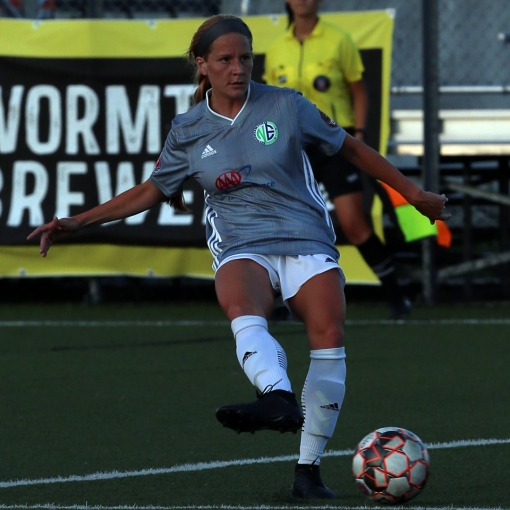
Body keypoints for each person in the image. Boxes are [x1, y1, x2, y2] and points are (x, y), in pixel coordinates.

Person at [27, 15, 449, 499]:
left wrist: (413, 194)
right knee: (243, 307)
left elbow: (351, 149)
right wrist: (77, 222)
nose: (238, 68)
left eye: (245, 58)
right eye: (225, 59)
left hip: (305, 234)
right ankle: (277, 396)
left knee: (329, 335)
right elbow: (150, 190)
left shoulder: (287, 104)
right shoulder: (188, 129)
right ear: (202, 65)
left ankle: (307, 472)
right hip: (240, 242)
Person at [264, 0, 411, 320]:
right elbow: (269, 100)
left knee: (354, 224)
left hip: (332, 142)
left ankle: (397, 297)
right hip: (292, 146)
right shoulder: (276, 48)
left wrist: (359, 132)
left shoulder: (339, 39)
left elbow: (359, 90)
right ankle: (282, 302)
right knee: (284, 223)